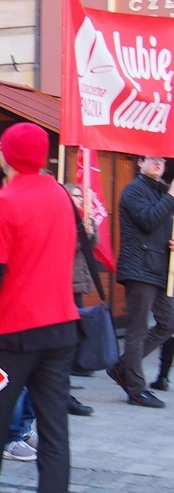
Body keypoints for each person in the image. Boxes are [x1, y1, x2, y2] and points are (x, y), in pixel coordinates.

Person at [0, 123, 80, 493]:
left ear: (6, 155)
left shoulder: (4, 202)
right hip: (61, 327)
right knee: (55, 432)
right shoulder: (62, 196)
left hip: (14, 333)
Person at [107, 155, 174, 408]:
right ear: (140, 162)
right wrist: (171, 196)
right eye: (152, 159)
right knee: (136, 330)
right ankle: (136, 389)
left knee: (169, 323)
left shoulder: (160, 191)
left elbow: (162, 227)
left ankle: (124, 366)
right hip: (138, 268)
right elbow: (147, 220)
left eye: (162, 161)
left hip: (159, 268)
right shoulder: (134, 189)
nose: (159, 163)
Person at [63, 183, 96, 416]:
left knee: (77, 334)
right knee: (67, 338)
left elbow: (91, 245)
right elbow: (63, 247)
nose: (79, 199)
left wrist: (90, 228)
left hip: (77, 283)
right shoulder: (59, 214)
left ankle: (66, 378)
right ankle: (62, 390)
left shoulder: (82, 217)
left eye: (80, 196)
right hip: (64, 285)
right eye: (75, 195)